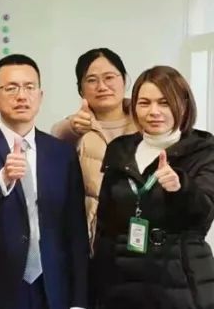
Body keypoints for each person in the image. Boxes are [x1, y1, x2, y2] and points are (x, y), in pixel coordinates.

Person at [0, 54, 88, 309]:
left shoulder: (62, 153)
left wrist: (79, 300)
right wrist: (2, 180)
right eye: (11, 88)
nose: (22, 96)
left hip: (53, 285)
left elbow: (75, 229)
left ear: (40, 95)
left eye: (29, 87)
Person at [91, 65, 214, 308]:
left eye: (164, 103)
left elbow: (203, 216)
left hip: (180, 285)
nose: (154, 111)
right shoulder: (120, 149)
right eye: (144, 103)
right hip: (122, 287)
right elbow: (105, 227)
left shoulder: (203, 151)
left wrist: (181, 188)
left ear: (184, 105)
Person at [51, 48, 138, 242]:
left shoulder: (145, 122)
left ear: (125, 80)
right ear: (80, 89)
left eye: (109, 77)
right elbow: (58, 136)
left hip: (140, 233)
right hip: (94, 238)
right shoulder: (73, 128)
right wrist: (74, 129)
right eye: (91, 80)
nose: (102, 86)